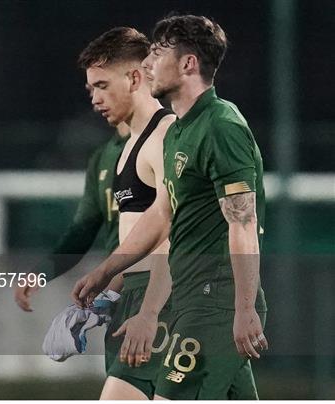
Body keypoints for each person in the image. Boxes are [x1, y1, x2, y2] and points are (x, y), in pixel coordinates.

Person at [72, 15, 268, 400]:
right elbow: (162, 213)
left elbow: (243, 221)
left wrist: (244, 308)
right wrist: (105, 270)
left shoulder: (221, 125)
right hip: (190, 297)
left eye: (158, 53)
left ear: (188, 63)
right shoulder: (180, 129)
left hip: (216, 301)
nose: (147, 64)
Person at [78, 27, 176, 400]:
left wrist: (150, 311)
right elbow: (140, 238)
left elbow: (171, 235)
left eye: (102, 85)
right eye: (91, 89)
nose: (95, 99)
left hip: (166, 301)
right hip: (137, 299)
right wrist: (108, 293)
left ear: (135, 77)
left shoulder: (165, 135)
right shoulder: (128, 147)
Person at [14, 121, 129, 311]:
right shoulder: (103, 157)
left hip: (164, 289)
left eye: (104, 89)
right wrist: (41, 273)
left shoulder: (163, 142)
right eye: (92, 90)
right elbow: (83, 231)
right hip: (121, 299)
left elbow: (161, 230)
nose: (96, 99)